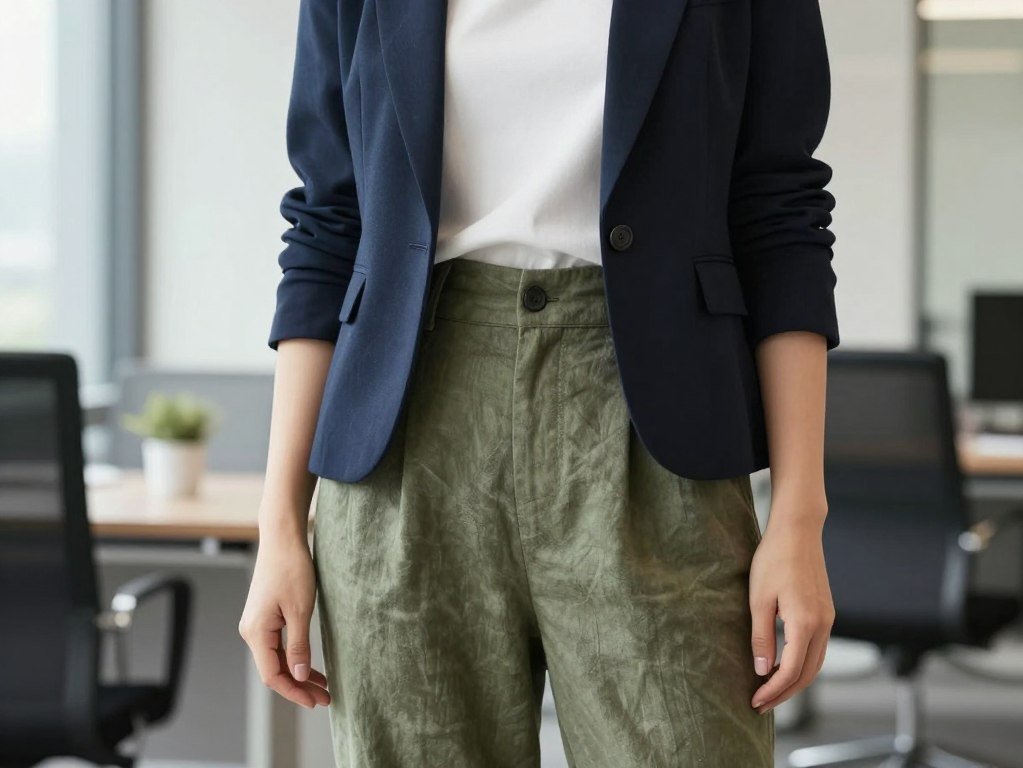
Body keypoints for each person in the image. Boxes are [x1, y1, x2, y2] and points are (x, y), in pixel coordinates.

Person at [240, 0, 839, 765]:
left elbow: (781, 215)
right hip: (407, 435)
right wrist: (281, 523)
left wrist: (800, 513)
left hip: (654, 428)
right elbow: (328, 225)